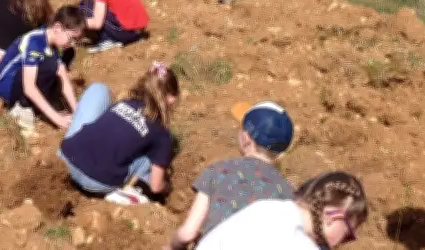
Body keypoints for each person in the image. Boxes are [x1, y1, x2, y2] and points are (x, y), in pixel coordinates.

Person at [164, 100, 295, 250]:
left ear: (246, 139)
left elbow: (188, 234)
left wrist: (172, 247)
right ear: (280, 153)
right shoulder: (288, 194)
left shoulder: (219, 171)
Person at [58, 61, 180, 196]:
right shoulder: (162, 134)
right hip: (96, 181)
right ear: (170, 99)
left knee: (99, 90)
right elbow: (156, 187)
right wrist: (167, 188)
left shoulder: (124, 103)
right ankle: (133, 192)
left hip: (65, 159)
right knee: (150, 158)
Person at [192, 171, 368, 250]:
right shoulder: (299, 243)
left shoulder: (266, 208)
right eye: (348, 235)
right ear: (334, 217)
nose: (343, 243)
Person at [0, 6, 85, 130]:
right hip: (8, 85)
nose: (73, 44)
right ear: (57, 28)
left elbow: (63, 75)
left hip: (25, 80)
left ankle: (39, 104)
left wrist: (77, 110)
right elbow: (29, 87)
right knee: (48, 65)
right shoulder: (35, 42)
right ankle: (21, 107)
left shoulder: (52, 46)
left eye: (76, 40)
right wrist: (57, 119)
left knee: (55, 65)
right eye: (71, 39)